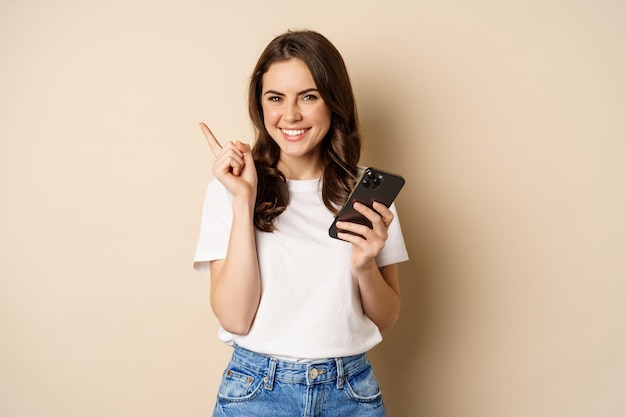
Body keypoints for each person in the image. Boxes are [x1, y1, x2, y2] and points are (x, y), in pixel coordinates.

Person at [193, 29, 408, 417]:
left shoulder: (365, 193)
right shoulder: (230, 188)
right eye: (275, 98)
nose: (290, 115)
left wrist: (363, 267)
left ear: (333, 103)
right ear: (260, 106)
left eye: (308, 97)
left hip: (351, 393)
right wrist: (245, 200)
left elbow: (386, 317)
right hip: (256, 392)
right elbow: (235, 318)